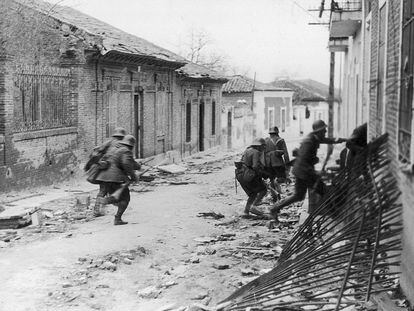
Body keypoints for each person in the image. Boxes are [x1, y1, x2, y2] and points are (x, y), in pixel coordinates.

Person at [270, 120, 347, 222]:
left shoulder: (314, 137)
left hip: (302, 172)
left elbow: (326, 140)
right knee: (324, 191)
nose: (325, 131)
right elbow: (303, 159)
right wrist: (315, 173)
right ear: (319, 131)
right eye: (324, 130)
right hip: (304, 172)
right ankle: (335, 215)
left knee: (299, 196)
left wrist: (341, 140)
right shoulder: (309, 141)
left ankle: (274, 208)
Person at [94, 134, 139, 225]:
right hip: (115, 178)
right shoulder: (126, 151)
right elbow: (126, 164)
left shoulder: (114, 148)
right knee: (125, 198)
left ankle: (103, 202)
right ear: (131, 145)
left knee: (115, 195)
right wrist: (134, 177)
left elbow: (128, 162)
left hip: (103, 176)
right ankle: (117, 217)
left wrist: (137, 165)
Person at [85, 127, 127, 217]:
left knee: (103, 190)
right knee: (117, 191)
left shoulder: (109, 142)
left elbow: (96, 151)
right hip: (114, 174)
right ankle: (102, 210)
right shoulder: (123, 145)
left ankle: (98, 210)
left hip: (104, 171)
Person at [235, 138, 269, 217]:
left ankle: (246, 212)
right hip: (249, 175)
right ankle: (253, 206)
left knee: (252, 194)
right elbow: (255, 166)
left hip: (241, 174)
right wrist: (263, 175)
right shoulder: (256, 152)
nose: (263, 148)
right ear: (259, 146)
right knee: (263, 190)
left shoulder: (247, 150)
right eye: (263, 146)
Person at [264, 126, 290, 202]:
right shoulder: (280, 140)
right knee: (281, 178)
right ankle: (278, 194)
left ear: (270, 133)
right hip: (278, 163)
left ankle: (275, 198)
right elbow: (285, 153)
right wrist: (287, 165)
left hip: (268, 164)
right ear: (277, 133)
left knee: (271, 180)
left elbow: (263, 153)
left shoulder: (266, 140)